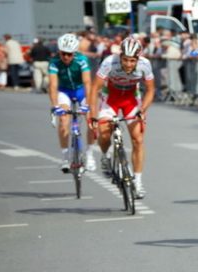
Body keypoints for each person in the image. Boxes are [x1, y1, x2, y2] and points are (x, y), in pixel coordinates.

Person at [88, 36, 155, 199]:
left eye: (132, 61)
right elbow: (94, 88)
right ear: (120, 56)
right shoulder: (109, 62)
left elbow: (151, 90)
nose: (128, 64)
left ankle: (138, 182)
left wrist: (143, 109)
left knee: (138, 139)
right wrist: (93, 115)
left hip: (131, 99)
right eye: (125, 60)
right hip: (111, 97)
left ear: (138, 58)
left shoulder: (145, 64)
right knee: (104, 133)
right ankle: (105, 156)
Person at [48, 33, 95, 172]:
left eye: (69, 54)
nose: (66, 57)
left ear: (74, 52)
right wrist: (55, 106)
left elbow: (87, 82)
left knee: (91, 121)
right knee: (63, 121)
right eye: (63, 54)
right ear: (59, 52)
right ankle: (65, 157)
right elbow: (53, 85)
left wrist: (88, 105)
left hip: (81, 91)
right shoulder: (54, 62)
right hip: (64, 91)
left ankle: (90, 154)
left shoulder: (82, 60)